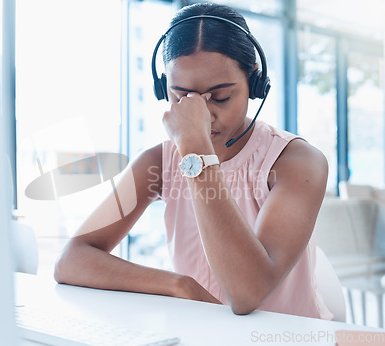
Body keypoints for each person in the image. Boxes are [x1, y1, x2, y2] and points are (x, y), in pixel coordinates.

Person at [54, 2, 332, 319]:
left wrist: (195, 146)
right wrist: (179, 286)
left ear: (255, 82)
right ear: (164, 88)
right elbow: (71, 260)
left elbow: (246, 292)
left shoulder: (297, 162)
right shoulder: (159, 162)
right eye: (182, 97)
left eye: (221, 97)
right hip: (202, 334)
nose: (201, 115)